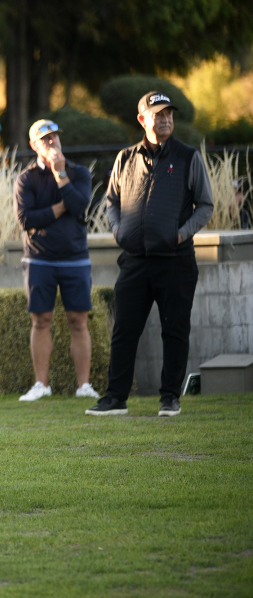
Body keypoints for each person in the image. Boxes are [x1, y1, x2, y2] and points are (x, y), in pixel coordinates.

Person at [87, 91, 213, 417]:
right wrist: (117, 230)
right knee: (124, 329)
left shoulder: (187, 157)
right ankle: (116, 398)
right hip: (134, 261)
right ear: (142, 119)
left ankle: (170, 397)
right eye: (158, 114)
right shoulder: (125, 158)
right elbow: (111, 201)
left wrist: (181, 234)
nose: (166, 118)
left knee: (174, 330)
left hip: (176, 261)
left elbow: (206, 205)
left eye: (169, 113)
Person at [13, 119, 100, 402]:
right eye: (45, 139)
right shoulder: (26, 178)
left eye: (54, 137)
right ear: (34, 145)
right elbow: (26, 220)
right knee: (41, 321)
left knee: (78, 321)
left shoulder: (78, 173)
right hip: (39, 259)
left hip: (75, 257)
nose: (52, 142)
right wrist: (62, 206)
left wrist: (61, 176)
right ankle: (41, 385)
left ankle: (84, 386)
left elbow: (80, 205)